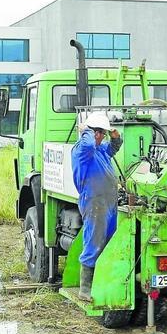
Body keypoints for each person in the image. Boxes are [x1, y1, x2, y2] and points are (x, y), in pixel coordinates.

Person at [71, 112, 123, 301]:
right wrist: (87, 131)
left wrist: (114, 134)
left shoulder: (100, 150)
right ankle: (85, 288)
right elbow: (87, 143)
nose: (100, 136)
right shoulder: (82, 151)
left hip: (108, 202)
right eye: (98, 132)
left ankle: (102, 282)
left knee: (108, 242)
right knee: (94, 241)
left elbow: (114, 148)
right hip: (94, 202)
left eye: (103, 133)